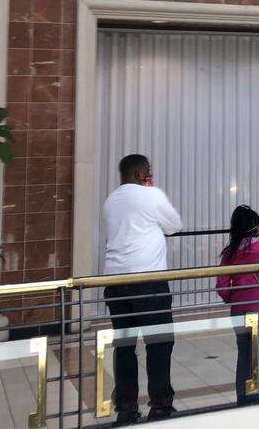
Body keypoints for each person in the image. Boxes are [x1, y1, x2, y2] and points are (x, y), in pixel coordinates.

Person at [101, 154, 183, 425]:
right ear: (140, 175)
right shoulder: (151, 195)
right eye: (148, 172)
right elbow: (174, 226)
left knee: (124, 346)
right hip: (148, 282)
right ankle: (160, 405)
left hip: (115, 284)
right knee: (158, 342)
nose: (151, 176)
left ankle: (126, 408)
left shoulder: (111, 200)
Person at [215, 205, 259, 405]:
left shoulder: (229, 253)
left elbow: (222, 286)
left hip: (238, 309)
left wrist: (232, 298)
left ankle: (242, 399)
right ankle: (254, 398)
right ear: (256, 227)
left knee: (244, 354)